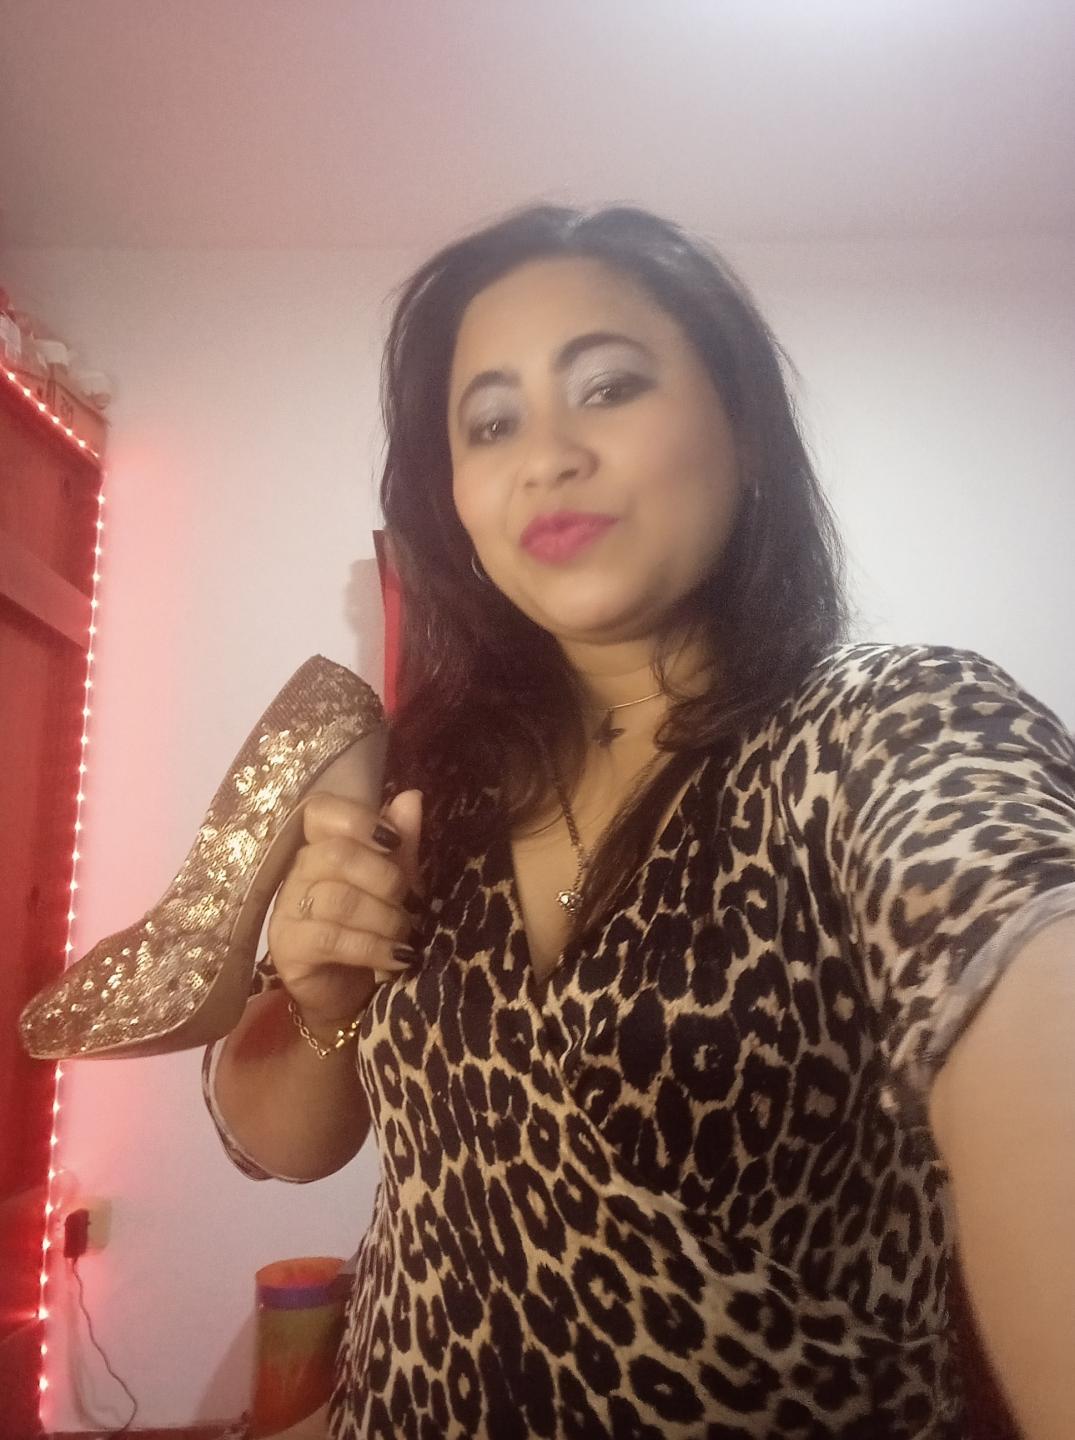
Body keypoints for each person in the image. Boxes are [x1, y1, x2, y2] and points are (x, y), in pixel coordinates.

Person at [203, 204, 1075, 1440]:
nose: (546, 456)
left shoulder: (890, 726)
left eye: (607, 387)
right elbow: (281, 1147)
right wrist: (322, 1002)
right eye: (490, 423)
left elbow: (1020, 955)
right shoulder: (428, 785)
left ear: (745, 431)